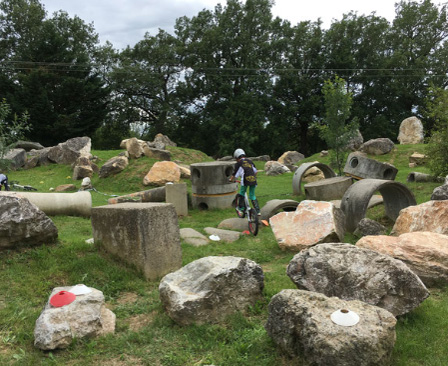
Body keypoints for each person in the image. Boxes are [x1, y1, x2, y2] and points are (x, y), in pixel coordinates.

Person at [229, 148, 260, 215]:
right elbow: (256, 171)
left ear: (237, 157)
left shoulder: (238, 163)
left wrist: (230, 180)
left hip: (245, 180)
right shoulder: (250, 161)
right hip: (253, 179)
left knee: (242, 193)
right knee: (252, 195)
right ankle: (258, 211)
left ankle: (241, 208)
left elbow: (234, 174)